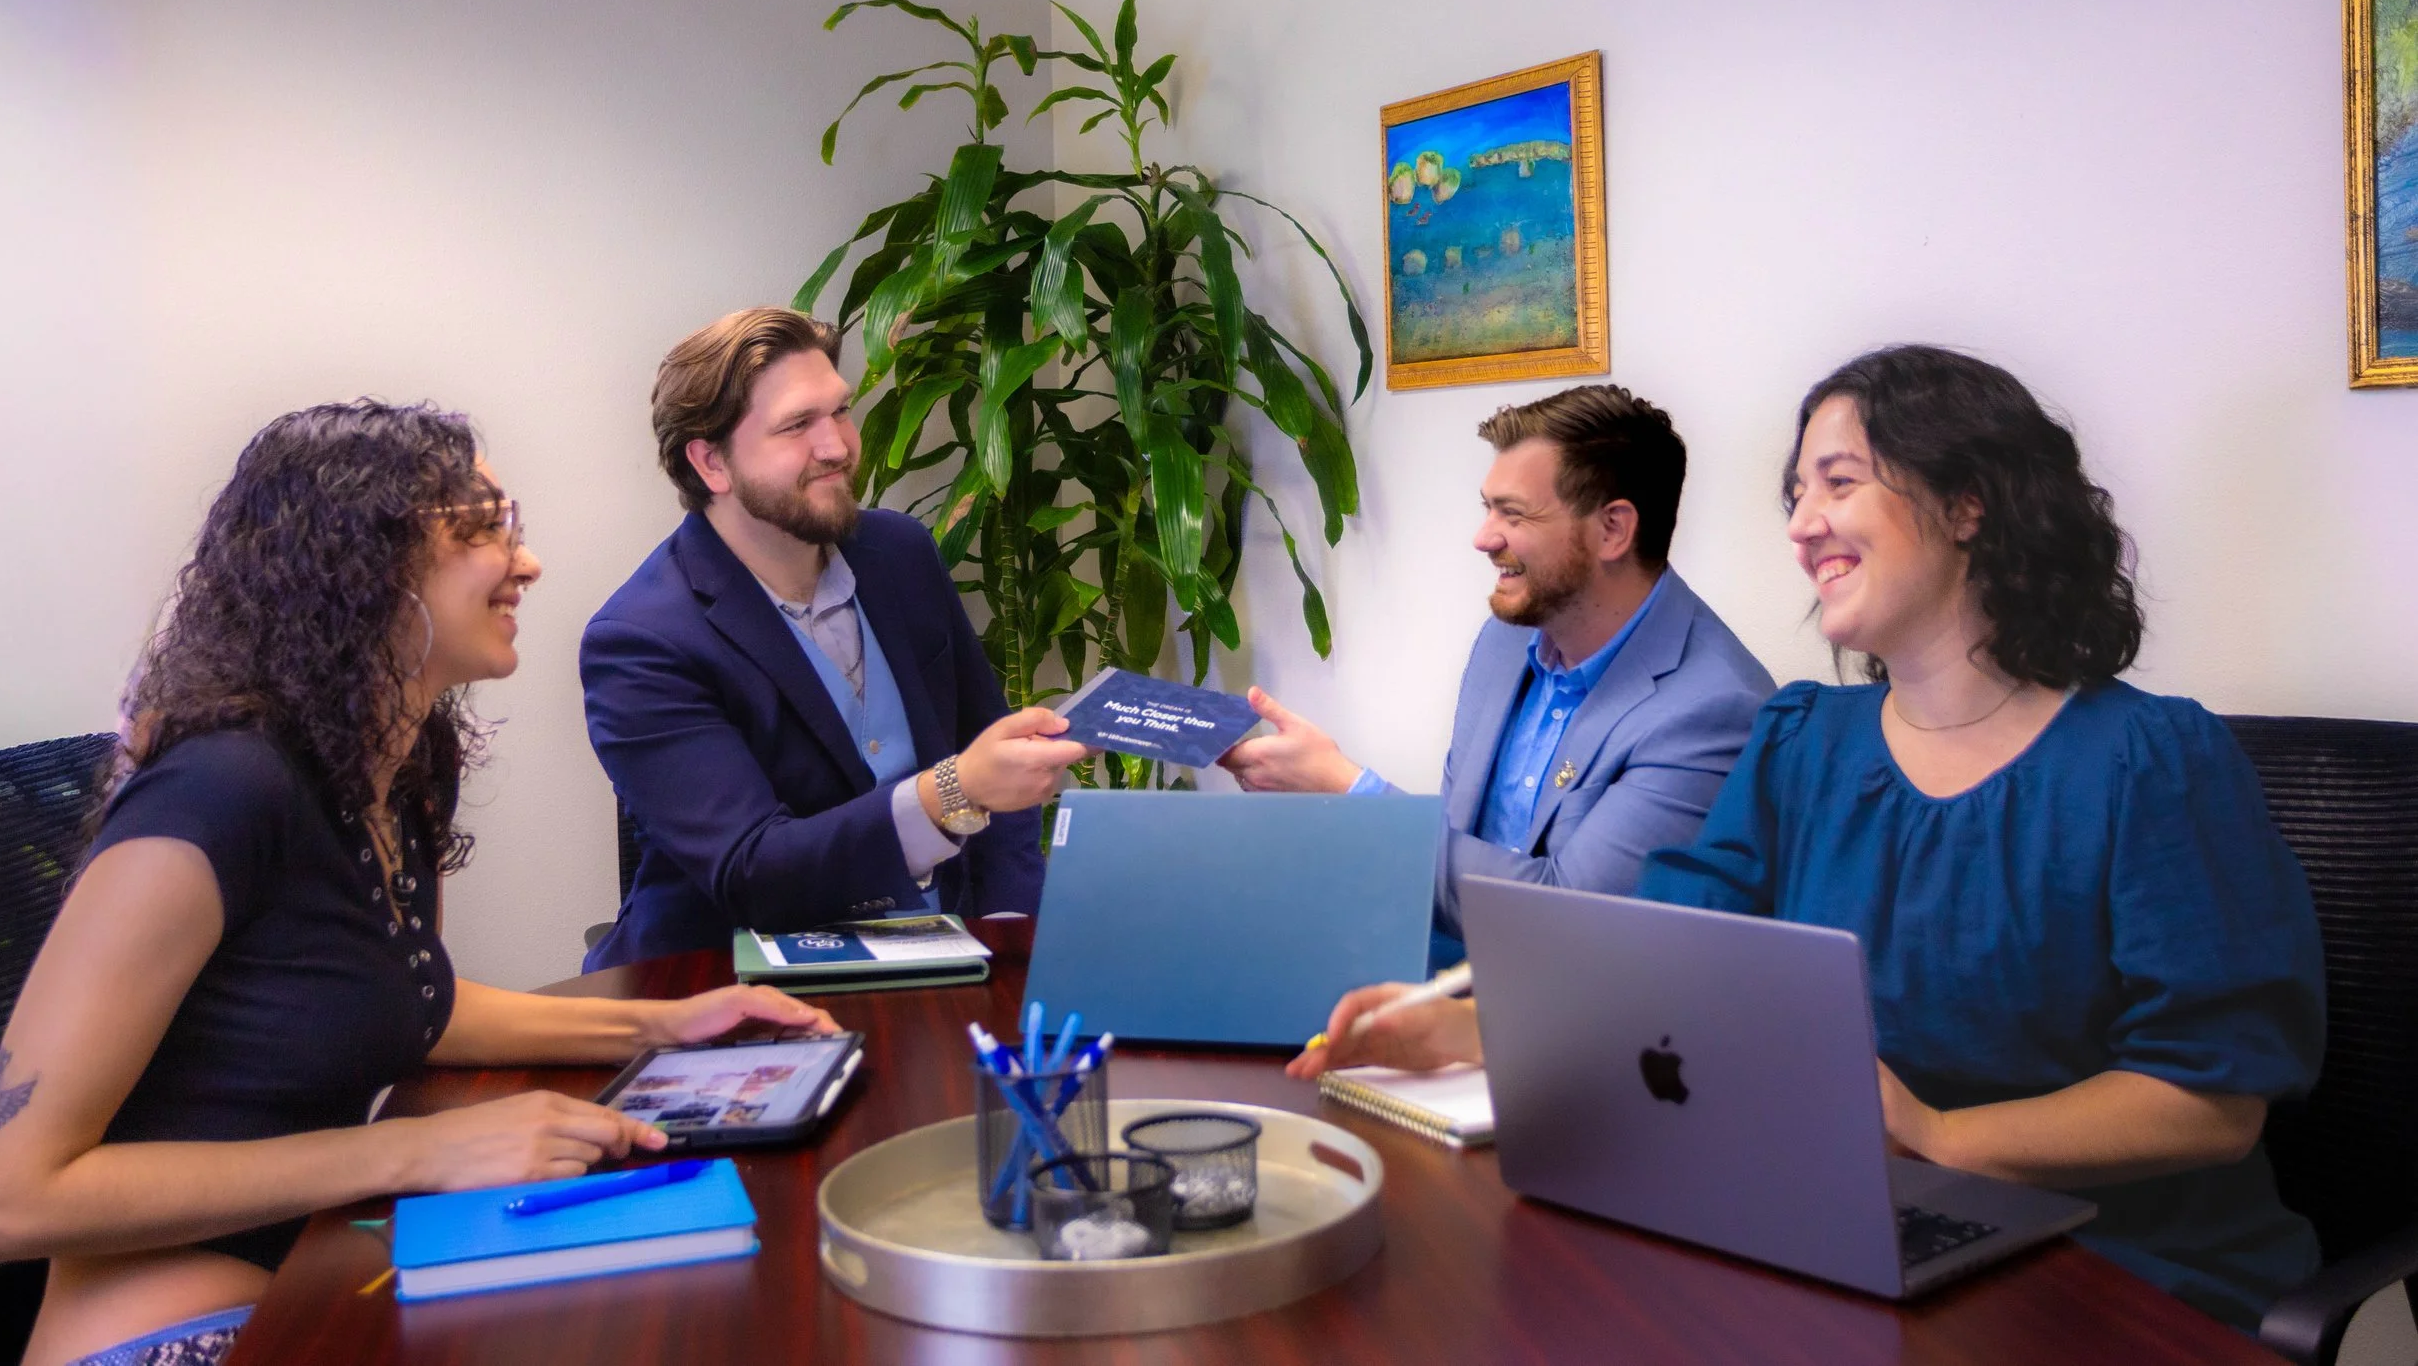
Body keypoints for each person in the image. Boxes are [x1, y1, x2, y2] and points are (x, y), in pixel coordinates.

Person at [1292, 346, 2326, 1330]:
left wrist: (1938, 1137)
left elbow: (2213, 1101)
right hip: (1853, 1226)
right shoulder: (1800, 739)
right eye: (1795, 494)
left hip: (2115, 1270)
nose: (1801, 524)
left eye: (1837, 482)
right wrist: (1471, 1030)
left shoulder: (2151, 762)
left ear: (1968, 504)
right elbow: (1667, 962)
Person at [0, 402, 836, 1366]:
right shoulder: (219, 790)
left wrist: (663, 1024)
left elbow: (399, 1000)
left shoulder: (397, 764)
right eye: (487, 527)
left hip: (332, 1278)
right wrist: (413, 1152)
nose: (526, 562)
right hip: (171, 1338)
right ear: (364, 563)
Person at [579, 308, 1084, 971]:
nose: (838, 447)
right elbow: (754, 871)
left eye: (839, 412)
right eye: (796, 425)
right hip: (731, 990)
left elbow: (995, 755)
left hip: (952, 958)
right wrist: (954, 791)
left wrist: (1017, 936)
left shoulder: (901, 554)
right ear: (711, 463)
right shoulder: (641, 642)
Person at [1220, 384, 1773, 963]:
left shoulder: (1714, 710)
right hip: (1441, 994)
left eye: (1514, 513)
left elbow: (1568, 920)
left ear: (1613, 530)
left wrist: (1349, 793)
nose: (1483, 538)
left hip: (1583, 1028)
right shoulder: (1507, 640)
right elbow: (1455, 859)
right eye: (1488, 507)